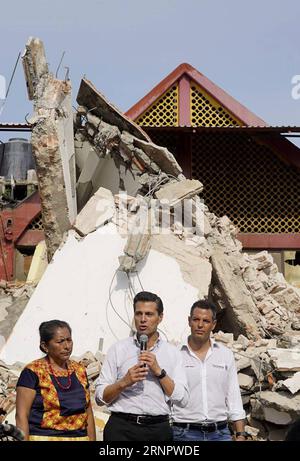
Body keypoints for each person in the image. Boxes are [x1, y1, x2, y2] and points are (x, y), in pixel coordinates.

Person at [95, 291, 188, 441]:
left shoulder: (173, 353)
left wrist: (159, 372)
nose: (143, 319)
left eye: (149, 314)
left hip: (158, 430)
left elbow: (182, 399)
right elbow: (100, 397)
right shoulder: (118, 349)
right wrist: (124, 382)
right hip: (121, 428)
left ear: (160, 317)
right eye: (139, 314)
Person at [172, 300, 247, 442]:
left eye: (206, 321)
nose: (200, 325)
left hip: (220, 434)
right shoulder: (175, 355)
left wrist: (240, 434)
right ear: (189, 321)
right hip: (184, 434)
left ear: (213, 324)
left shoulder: (225, 354)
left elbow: (233, 396)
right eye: (196, 319)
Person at [16, 320, 96, 441]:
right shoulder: (33, 372)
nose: (67, 346)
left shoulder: (79, 370)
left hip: (80, 437)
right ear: (45, 346)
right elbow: (21, 416)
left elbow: (88, 413)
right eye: (60, 341)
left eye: (69, 340)